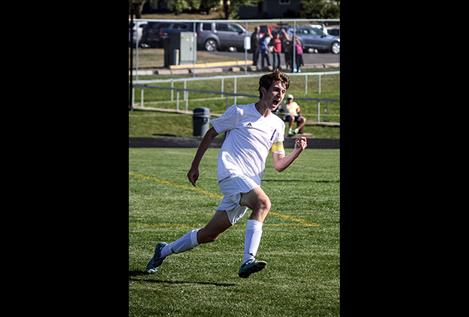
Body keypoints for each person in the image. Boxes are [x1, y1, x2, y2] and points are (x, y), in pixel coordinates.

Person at [145, 69, 308, 278]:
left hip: (248, 183)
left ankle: (163, 250)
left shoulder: (277, 124)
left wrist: (297, 151)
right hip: (231, 175)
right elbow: (211, 132)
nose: (280, 94)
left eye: (283, 91)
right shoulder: (239, 112)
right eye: (276, 89)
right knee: (263, 203)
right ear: (263, 90)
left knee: (209, 234)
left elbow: (278, 164)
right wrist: (195, 166)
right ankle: (248, 259)